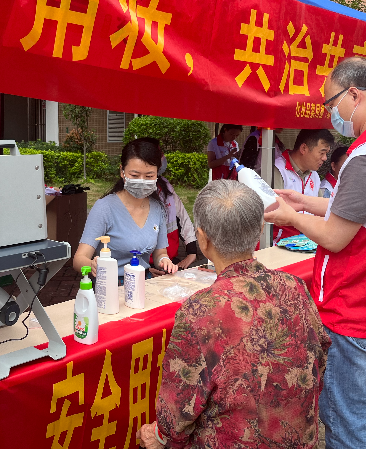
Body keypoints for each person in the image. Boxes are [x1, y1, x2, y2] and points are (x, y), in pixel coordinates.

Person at [265, 57, 366, 449]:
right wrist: (305, 202)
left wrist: (290, 215)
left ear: (353, 94)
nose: (330, 113)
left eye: (330, 102)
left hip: (355, 303)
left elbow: (336, 237)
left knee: (346, 414)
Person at [138, 180, 330, 449]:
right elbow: (319, 358)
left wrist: (159, 437)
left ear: (202, 239)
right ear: (260, 231)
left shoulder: (199, 311)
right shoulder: (295, 287)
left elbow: (176, 416)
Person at [74, 138, 178, 280]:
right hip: (110, 286)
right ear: (122, 171)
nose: (142, 181)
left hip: (144, 284)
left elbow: (160, 252)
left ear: (157, 175)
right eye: (134, 175)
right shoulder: (104, 208)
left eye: (149, 176)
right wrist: (91, 265)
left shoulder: (158, 208)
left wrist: (164, 261)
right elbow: (79, 259)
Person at [143, 138, 198, 269]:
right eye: (159, 153)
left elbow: (182, 216)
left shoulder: (165, 185)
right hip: (142, 266)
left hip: (169, 261)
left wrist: (192, 252)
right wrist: (146, 270)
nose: (163, 157)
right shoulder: (135, 191)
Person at [270, 128, 334, 241]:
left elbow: (319, 208)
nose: (324, 158)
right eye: (322, 152)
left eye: (326, 154)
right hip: (281, 242)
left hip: (308, 242)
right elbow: (273, 210)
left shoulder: (314, 174)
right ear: (304, 148)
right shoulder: (277, 170)